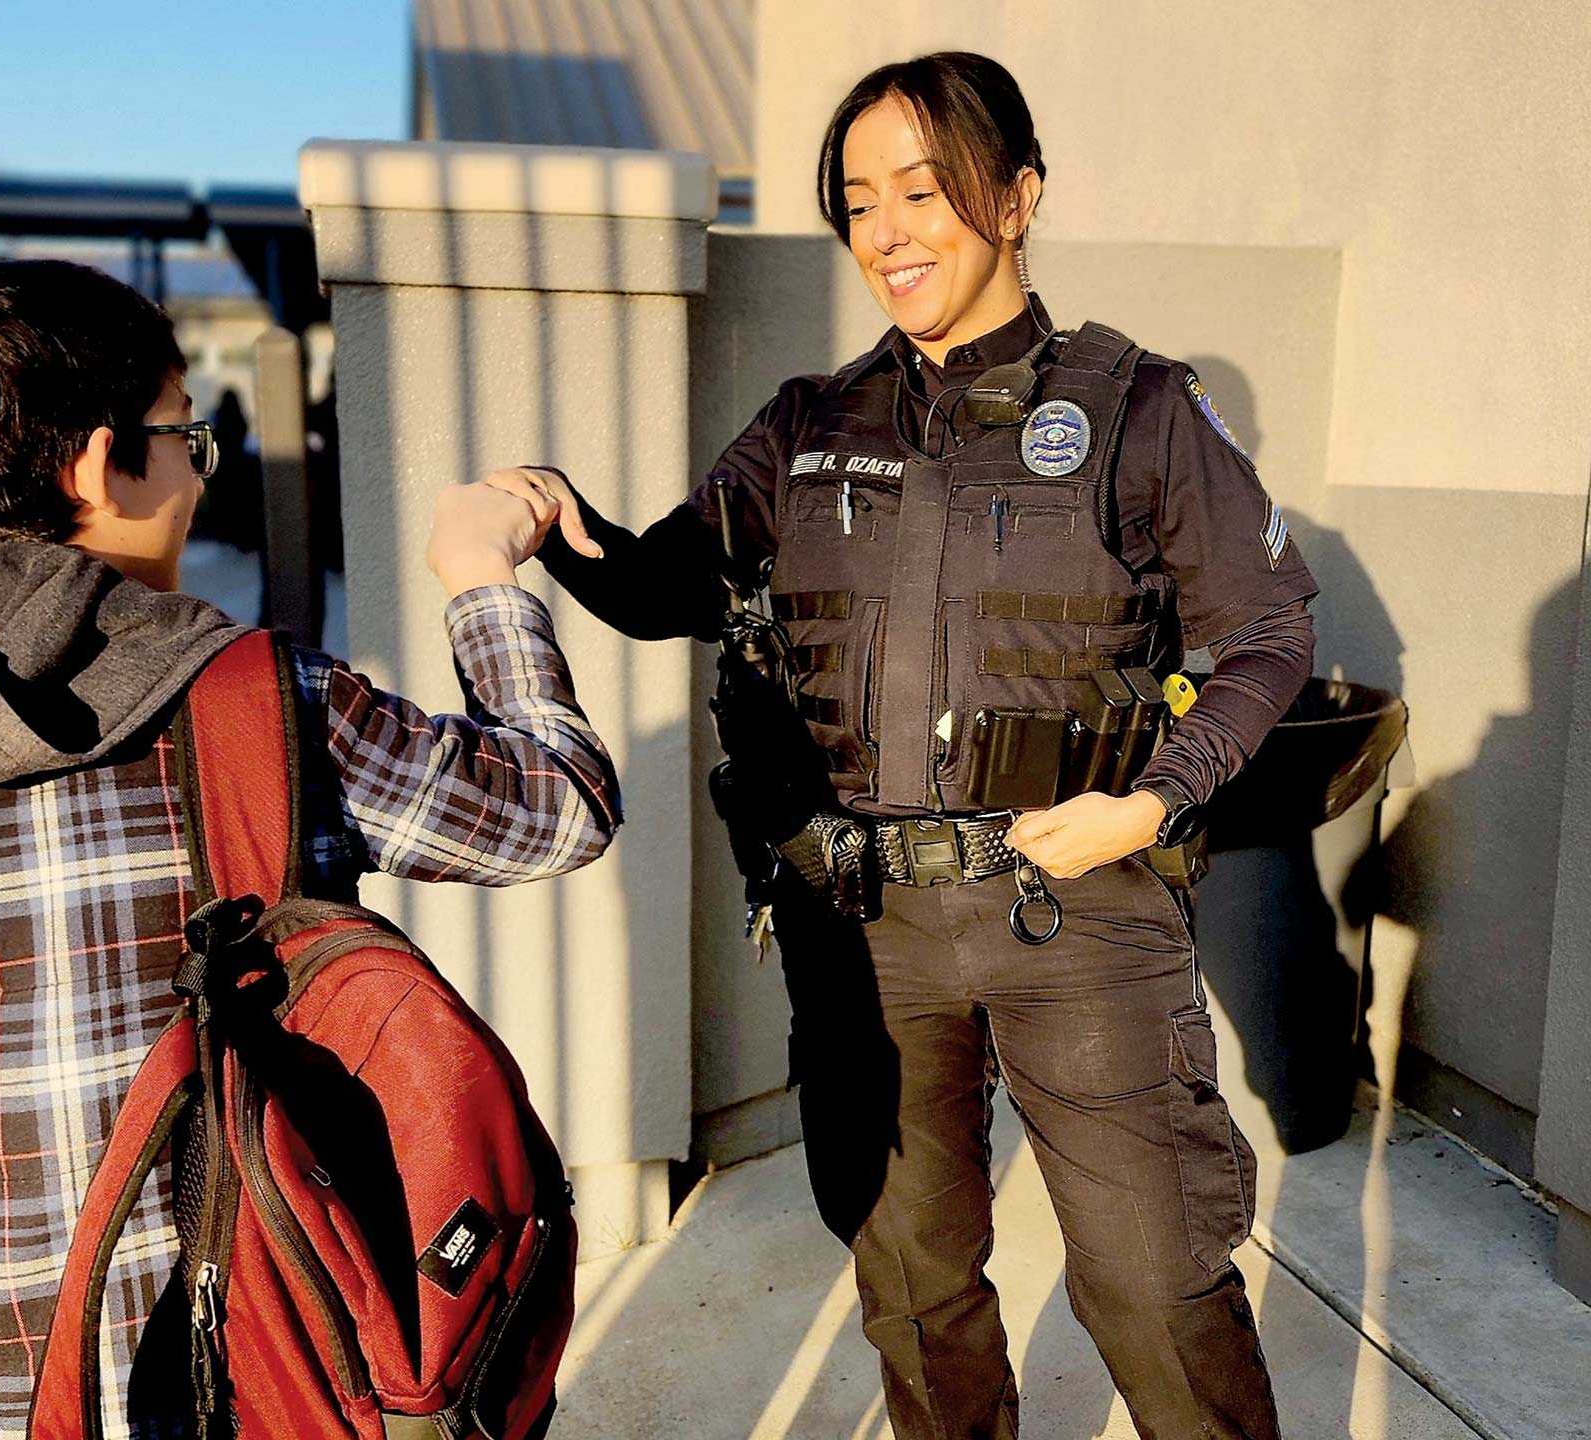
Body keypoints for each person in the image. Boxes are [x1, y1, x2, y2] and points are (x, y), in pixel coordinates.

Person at [505, 52, 1312, 1440]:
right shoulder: (808, 424)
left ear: (1015, 198)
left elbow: (1269, 639)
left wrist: (1156, 802)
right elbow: (667, 583)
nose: (886, 233)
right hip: (862, 927)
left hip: (1077, 907)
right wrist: (554, 521)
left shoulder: (1141, 411)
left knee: (1155, 1289)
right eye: (859, 202)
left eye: (921, 191)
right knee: (915, 1286)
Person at [0, 259, 620, 1440]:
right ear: (92, 465)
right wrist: (480, 577)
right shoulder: (259, 702)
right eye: (183, 434)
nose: (195, 471)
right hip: (253, 1364)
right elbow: (558, 806)